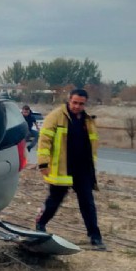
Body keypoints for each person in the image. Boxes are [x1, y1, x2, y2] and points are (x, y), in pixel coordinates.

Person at [35, 89, 106, 250]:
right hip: (63, 168)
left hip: (83, 169)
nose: (77, 106)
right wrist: (43, 163)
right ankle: (40, 224)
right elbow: (44, 141)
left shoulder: (87, 120)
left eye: (81, 104)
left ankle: (95, 236)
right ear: (69, 100)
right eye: (74, 102)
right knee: (54, 200)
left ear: (85, 104)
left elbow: (92, 145)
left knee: (87, 203)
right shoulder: (56, 116)